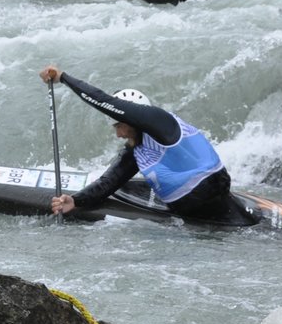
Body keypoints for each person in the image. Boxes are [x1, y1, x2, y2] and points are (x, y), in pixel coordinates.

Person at [39, 68, 240, 222]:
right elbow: (110, 182)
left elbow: (103, 100)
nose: (118, 134)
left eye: (120, 125)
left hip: (212, 197)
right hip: (189, 211)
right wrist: (75, 201)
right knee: (122, 184)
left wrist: (63, 78)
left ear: (134, 119)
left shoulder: (161, 123)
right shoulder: (136, 148)